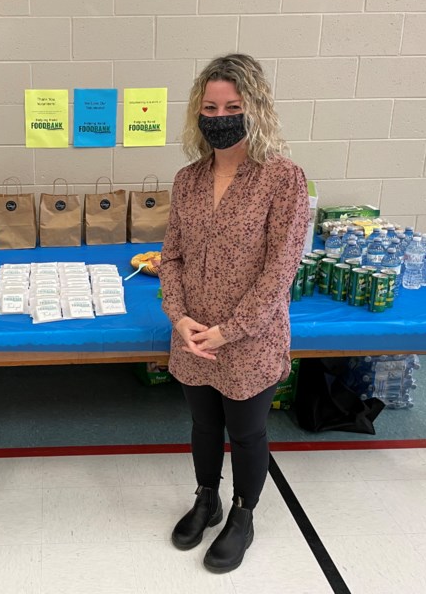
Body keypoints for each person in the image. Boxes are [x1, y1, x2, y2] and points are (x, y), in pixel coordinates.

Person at [158, 53, 311, 574]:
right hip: (193, 334)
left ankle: (243, 515)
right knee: (203, 425)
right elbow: (171, 257)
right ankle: (208, 497)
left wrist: (231, 331)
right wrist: (179, 318)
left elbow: (280, 270)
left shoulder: (283, 179)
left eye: (232, 106)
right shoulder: (188, 180)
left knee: (245, 431)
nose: (219, 116)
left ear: (256, 109)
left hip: (249, 340)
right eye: (210, 106)